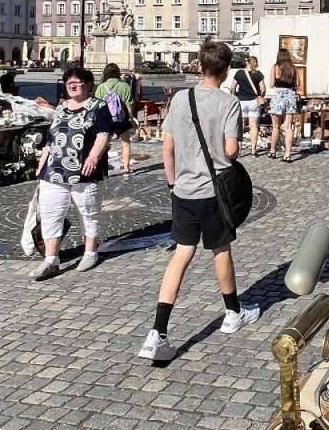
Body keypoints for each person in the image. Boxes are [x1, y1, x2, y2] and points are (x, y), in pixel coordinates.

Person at [139, 40, 259, 363]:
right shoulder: (229, 103)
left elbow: (167, 147)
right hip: (213, 191)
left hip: (183, 191)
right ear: (225, 69)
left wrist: (172, 183)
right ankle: (232, 312)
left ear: (200, 66)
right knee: (220, 249)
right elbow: (232, 151)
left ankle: (158, 332)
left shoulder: (180, 99)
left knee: (181, 255)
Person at [30, 66, 116, 281]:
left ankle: (90, 252)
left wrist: (93, 157)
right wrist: (42, 161)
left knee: (88, 210)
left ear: (88, 85)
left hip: (84, 170)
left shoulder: (99, 106)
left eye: (77, 82)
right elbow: (52, 137)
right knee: (51, 212)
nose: (73, 86)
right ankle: (51, 260)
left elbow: (103, 135)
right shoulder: (61, 106)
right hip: (55, 169)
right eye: (69, 83)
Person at [96, 64, 138, 174]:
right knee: (126, 143)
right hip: (122, 119)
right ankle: (126, 168)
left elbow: (97, 105)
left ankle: (102, 167)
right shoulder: (125, 86)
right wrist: (132, 118)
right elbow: (129, 104)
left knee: (104, 144)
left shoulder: (101, 87)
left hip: (107, 120)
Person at [267, 48, 301, 162]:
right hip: (290, 96)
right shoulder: (293, 68)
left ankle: (272, 151)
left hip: (278, 96)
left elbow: (271, 84)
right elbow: (298, 83)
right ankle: (287, 154)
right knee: (288, 127)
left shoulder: (275, 67)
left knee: (276, 126)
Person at [230, 56, 266, 155]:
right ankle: (253, 150)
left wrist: (235, 96)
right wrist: (260, 96)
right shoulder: (258, 74)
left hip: (241, 101)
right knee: (253, 126)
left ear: (247, 63)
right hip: (253, 102)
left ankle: (239, 150)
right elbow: (263, 89)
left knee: (240, 126)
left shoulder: (239, 73)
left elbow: (233, 87)